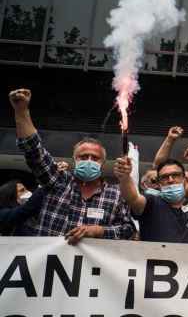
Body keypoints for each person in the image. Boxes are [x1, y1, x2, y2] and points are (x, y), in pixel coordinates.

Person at [9, 88, 135, 244]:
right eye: (83, 157)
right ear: (74, 160)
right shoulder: (58, 181)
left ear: (102, 163)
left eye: (94, 158)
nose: (89, 160)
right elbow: (34, 152)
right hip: (46, 266)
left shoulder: (116, 195)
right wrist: (21, 111)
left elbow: (128, 230)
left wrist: (99, 231)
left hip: (88, 267)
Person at [115, 145, 188, 244]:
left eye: (176, 175)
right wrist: (124, 177)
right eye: (164, 177)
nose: (170, 180)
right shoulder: (151, 203)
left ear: (184, 178)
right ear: (159, 183)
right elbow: (132, 198)